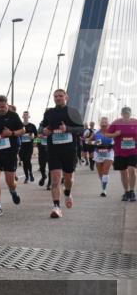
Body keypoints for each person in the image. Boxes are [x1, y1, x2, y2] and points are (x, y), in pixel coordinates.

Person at [40, 89, 84, 218]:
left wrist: (68, 129)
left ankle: (68, 192)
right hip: (53, 150)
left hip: (69, 150)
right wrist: (44, 131)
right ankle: (56, 207)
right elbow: (41, 127)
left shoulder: (72, 112)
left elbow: (81, 129)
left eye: (60, 96)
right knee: (55, 179)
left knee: (68, 178)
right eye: (55, 96)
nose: (58, 98)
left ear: (66, 97)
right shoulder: (49, 113)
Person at [106, 106, 136, 202]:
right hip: (120, 152)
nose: (126, 115)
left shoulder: (135, 122)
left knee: (132, 170)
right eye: (124, 113)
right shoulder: (116, 123)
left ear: (130, 114)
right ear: (122, 114)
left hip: (133, 151)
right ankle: (126, 192)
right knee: (123, 172)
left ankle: (132, 191)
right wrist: (115, 134)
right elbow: (107, 134)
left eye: (128, 113)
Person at [92, 116, 115, 197]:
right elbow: (88, 141)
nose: (104, 124)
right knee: (100, 174)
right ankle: (103, 185)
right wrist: (95, 143)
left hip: (109, 153)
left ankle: (104, 190)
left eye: (105, 122)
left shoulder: (112, 132)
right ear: (100, 124)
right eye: (102, 122)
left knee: (105, 172)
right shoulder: (96, 133)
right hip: (98, 154)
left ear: (108, 123)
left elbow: (117, 141)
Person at [20, 111, 37, 183]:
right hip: (21, 146)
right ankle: (26, 176)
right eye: (24, 115)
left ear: (29, 116)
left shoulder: (32, 126)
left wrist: (35, 141)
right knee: (24, 161)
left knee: (28, 159)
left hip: (29, 145)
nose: (26, 116)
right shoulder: (20, 125)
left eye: (27, 115)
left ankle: (30, 173)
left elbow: (37, 135)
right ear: (22, 117)